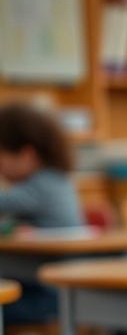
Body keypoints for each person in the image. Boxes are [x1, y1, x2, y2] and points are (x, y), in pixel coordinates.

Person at [0, 101, 83, 322]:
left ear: (26, 154)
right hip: (47, 287)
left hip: (50, 294)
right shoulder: (56, 180)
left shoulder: (43, 184)